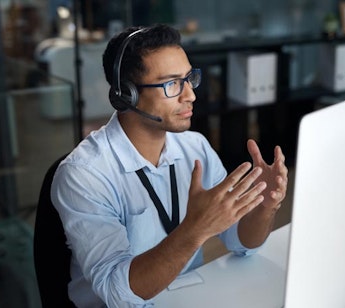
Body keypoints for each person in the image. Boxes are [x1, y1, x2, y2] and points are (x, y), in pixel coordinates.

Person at [51, 23, 288, 307]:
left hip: (186, 297)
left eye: (189, 78)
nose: (190, 95)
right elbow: (118, 295)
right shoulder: (84, 174)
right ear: (127, 95)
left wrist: (264, 207)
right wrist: (196, 228)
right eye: (172, 84)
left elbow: (241, 243)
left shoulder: (195, 147)